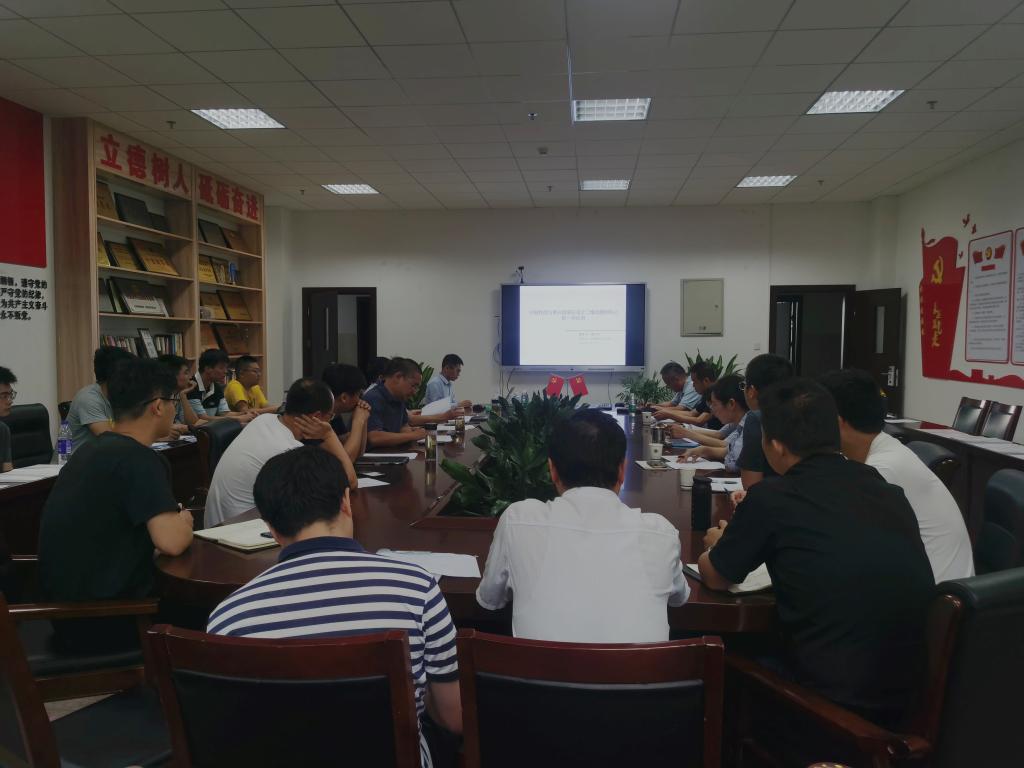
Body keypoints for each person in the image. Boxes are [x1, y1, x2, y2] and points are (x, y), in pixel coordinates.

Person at [207, 447, 461, 768]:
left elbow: (234, 732)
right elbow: (453, 718)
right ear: (345, 501)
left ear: (269, 526)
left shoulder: (229, 617)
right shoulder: (417, 589)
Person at [698, 378, 933, 725]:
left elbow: (716, 577)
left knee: (717, 651)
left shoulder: (773, 497)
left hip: (831, 710)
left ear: (776, 446)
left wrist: (718, 543)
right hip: (911, 699)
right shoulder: (884, 488)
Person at [477, 409, 689, 642]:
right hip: (642, 667)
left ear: (552, 470)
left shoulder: (518, 520)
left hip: (535, 666)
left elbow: (490, 599)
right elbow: (679, 598)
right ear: (622, 470)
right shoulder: (660, 533)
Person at [39, 358, 194, 653]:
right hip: (109, 620)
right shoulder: (140, 460)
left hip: (66, 614)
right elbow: (172, 542)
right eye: (173, 401)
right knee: (207, 609)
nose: (173, 410)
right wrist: (184, 521)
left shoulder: (90, 451)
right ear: (157, 406)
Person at [819, 368, 974, 582]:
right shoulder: (880, 450)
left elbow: (838, 539)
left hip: (938, 593)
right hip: (918, 579)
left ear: (837, 422)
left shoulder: (883, 469)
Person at [204, 378, 359, 527]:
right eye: (330, 416)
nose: (330, 422)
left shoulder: (263, 420)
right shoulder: (288, 451)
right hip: (241, 533)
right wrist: (329, 435)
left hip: (218, 526)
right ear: (317, 417)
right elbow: (350, 482)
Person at [737, 353, 793, 489]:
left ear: (751, 391)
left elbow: (751, 486)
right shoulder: (803, 412)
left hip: (771, 498)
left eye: (744, 385)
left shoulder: (756, 418)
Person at [66, 346, 134, 453]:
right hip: (69, 462)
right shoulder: (88, 399)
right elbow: (111, 441)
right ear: (115, 375)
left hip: (96, 459)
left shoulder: (117, 396)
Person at [677, 375, 748, 471]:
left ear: (731, 404)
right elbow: (730, 449)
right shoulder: (740, 424)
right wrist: (704, 450)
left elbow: (732, 464)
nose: (711, 409)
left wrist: (687, 433)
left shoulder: (751, 425)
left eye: (714, 404)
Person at [364, 357, 428, 448]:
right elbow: (374, 438)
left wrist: (412, 432)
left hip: (393, 452)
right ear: (398, 377)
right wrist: (413, 435)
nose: (414, 392)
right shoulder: (373, 397)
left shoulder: (399, 397)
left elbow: (403, 427)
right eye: (413, 386)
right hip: (373, 454)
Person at [188, 349, 254, 424]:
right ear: (208, 368)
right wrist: (238, 419)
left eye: (226, 367)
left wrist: (245, 414)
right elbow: (202, 418)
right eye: (221, 368)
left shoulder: (216, 387)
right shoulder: (191, 386)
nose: (226, 371)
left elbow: (225, 413)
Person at [322, 363, 371, 461]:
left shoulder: (335, 415)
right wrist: (358, 421)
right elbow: (345, 461)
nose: (360, 400)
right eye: (359, 395)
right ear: (344, 397)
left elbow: (358, 453)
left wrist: (364, 420)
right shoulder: (318, 417)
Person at [654, 360, 722, 429]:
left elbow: (699, 421)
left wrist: (669, 414)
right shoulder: (707, 395)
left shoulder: (717, 395)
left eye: (695, 382)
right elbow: (691, 413)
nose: (693, 385)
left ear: (706, 381)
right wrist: (666, 413)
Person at [158, 354, 206, 429]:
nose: (190, 377)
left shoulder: (177, 394)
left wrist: (183, 395)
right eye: (186, 373)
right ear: (172, 376)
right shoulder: (158, 397)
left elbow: (193, 422)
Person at [0, 366, 16, 472]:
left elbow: (8, 472)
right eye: (4, 396)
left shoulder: (3, 430)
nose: (10, 401)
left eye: (10, 395)